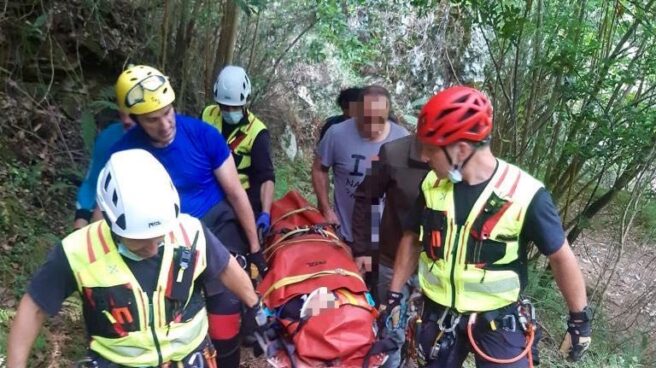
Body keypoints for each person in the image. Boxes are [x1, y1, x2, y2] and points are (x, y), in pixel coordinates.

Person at [381, 86, 592, 367]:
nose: (423, 158)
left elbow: (560, 256)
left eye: (430, 149)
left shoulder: (525, 193)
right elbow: (412, 238)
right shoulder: (433, 185)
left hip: (498, 321)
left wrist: (580, 321)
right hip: (437, 314)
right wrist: (395, 297)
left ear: (461, 149)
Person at [7, 149, 265, 368]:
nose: (153, 248)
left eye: (159, 237)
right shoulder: (79, 251)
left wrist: (255, 307)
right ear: (111, 222)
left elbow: (225, 267)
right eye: (141, 241)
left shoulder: (190, 232)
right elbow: (34, 307)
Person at [111, 65, 266, 368]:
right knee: (172, 305)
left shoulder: (203, 136)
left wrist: (255, 248)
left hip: (215, 222)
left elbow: (235, 192)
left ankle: (228, 359)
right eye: (153, 120)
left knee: (225, 299)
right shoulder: (125, 153)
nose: (165, 124)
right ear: (135, 120)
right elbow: (109, 210)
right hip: (161, 231)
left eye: (168, 113)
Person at [351, 135, 430, 366]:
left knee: (426, 337)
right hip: (390, 260)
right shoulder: (392, 153)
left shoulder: (463, 162)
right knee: (390, 333)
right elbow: (367, 199)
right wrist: (364, 248)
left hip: (436, 270)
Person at [312, 85, 409, 245]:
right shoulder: (336, 134)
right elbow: (319, 169)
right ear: (358, 112)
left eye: (380, 120)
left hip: (384, 237)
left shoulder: (402, 139)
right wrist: (326, 208)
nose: (374, 127)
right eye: (367, 119)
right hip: (344, 233)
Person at [201, 65, 275, 237]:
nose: (228, 111)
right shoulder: (207, 115)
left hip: (241, 197)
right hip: (208, 190)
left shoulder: (257, 132)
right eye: (224, 107)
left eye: (234, 108)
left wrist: (265, 213)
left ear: (245, 103)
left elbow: (266, 177)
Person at [73, 108, 135, 229]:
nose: (127, 120)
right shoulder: (110, 137)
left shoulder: (170, 137)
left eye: (133, 113)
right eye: (123, 112)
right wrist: (79, 228)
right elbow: (92, 183)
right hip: (109, 216)